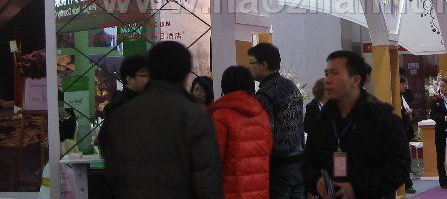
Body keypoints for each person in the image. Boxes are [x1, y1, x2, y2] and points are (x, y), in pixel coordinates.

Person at [102, 41, 222, 199]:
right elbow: (207, 181)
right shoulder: (196, 117)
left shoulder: (121, 114)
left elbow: (112, 170)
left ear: (151, 71)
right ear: (186, 75)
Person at [302, 50, 410, 199]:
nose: (327, 80)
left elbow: (399, 168)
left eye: (335, 73)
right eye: (326, 74)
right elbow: (308, 164)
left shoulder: (382, 119)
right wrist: (316, 180)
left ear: (355, 80)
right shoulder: (321, 121)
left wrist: (357, 188)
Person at [248, 42, 304, 198]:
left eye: (251, 62)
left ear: (264, 64)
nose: (249, 67)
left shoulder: (265, 94)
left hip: (278, 165)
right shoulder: (292, 87)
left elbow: (265, 131)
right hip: (299, 161)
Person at [209, 66, 272, 199]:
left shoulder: (221, 115)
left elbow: (213, 159)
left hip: (231, 191)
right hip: (259, 191)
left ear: (225, 85)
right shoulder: (261, 113)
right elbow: (268, 148)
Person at [400, 75, 416, 194]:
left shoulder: (404, 96)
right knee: (403, 158)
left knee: (406, 157)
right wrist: (406, 114)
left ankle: (407, 182)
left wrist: (410, 112)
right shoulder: (395, 97)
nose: (406, 86)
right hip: (400, 131)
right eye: (404, 83)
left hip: (406, 130)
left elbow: (410, 108)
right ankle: (406, 183)